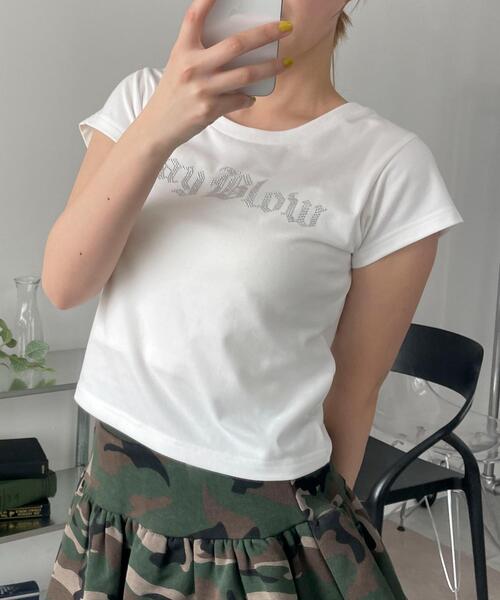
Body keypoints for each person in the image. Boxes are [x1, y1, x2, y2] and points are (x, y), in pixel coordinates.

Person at [43, 0, 463, 597]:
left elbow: (352, 395)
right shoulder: (144, 99)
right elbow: (66, 285)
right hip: (112, 515)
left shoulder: (390, 167)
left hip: (265, 541)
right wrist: (160, 126)